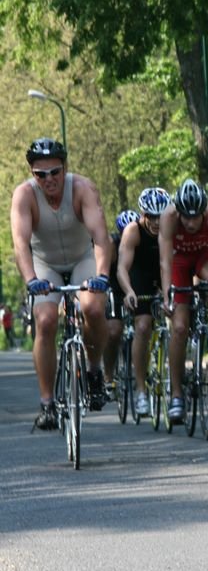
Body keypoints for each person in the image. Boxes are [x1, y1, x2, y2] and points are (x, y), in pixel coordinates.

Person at [10, 137, 111, 429]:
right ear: (32, 174)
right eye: (41, 174)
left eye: (55, 172)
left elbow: (101, 237)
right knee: (44, 320)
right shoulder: (24, 196)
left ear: (64, 168)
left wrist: (102, 276)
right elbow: (20, 244)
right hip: (45, 264)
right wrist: (31, 280)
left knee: (92, 309)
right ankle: (47, 404)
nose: (49, 179)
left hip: (83, 259)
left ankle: (94, 370)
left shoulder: (82, 189)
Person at [159, 179, 208, 423]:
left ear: (204, 211)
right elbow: (164, 260)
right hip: (179, 260)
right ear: (178, 211)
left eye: (196, 217)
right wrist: (167, 295)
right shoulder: (169, 217)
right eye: (187, 217)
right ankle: (176, 395)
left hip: (206, 254)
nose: (192, 222)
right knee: (180, 327)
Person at [117, 189, 171, 416]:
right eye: (152, 216)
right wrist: (129, 291)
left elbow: (172, 262)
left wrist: (169, 295)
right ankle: (140, 390)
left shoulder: (172, 225)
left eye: (162, 216)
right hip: (140, 277)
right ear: (143, 214)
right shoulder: (133, 231)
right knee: (142, 326)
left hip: (164, 272)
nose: (158, 222)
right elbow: (121, 268)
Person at [103, 209, 140, 399]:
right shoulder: (112, 243)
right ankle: (108, 375)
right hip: (115, 289)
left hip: (137, 286)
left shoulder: (142, 239)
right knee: (114, 331)